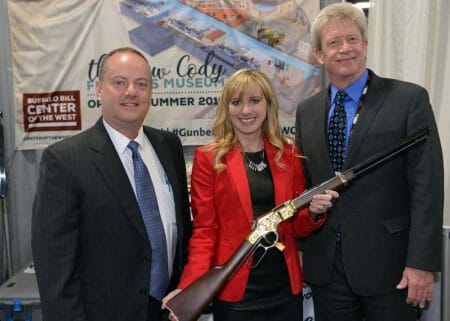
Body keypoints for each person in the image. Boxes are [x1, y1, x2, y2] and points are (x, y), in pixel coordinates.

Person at [295, 3, 444, 321]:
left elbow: (427, 188)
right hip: (327, 272)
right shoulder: (305, 112)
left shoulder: (408, 100)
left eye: (352, 39)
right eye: (333, 42)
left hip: (391, 269)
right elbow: (306, 185)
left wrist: (421, 262)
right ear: (319, 54)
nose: (345, 49)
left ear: (365, 44)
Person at [162, 68, 338, 321]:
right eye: (237, 102)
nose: (246, 111)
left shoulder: (289, 155)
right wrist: (190, 286)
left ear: (268, 105)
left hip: (284, 287)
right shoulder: (209, 158)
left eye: (254, 101)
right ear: (227, 107)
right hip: (234, 288)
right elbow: (204, 231)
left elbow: (296, 228)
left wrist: (312, 213)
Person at [31, 47, 192, 321]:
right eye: (119, 82)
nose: (131, 92)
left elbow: (183, 235)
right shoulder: (65, 161)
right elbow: (55, 273)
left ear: (151, 92)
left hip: (168, 311)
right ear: (99, 89)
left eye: (141, 84)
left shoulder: (169, 146)